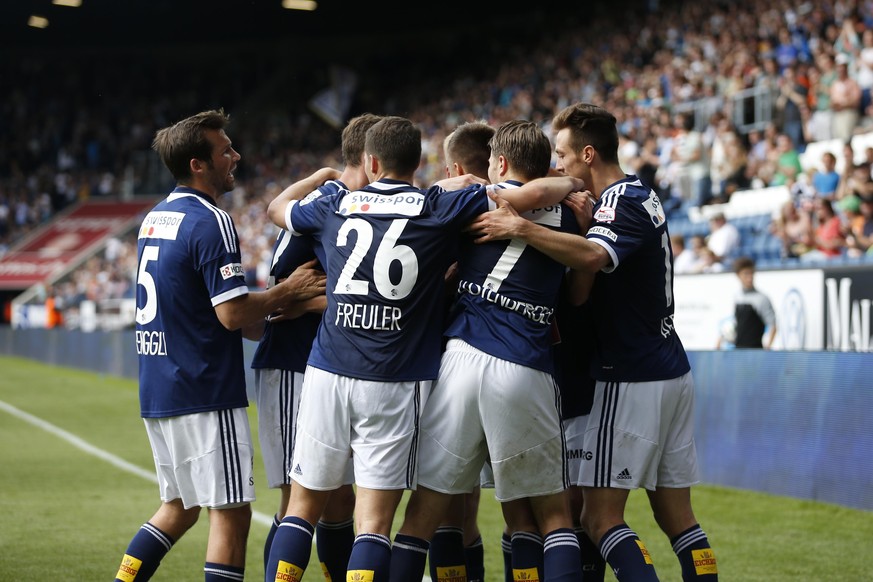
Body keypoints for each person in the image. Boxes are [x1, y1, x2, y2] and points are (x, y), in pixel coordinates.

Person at [263, 115, 585, 582]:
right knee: (377, 524)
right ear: (420, 162)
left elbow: (277, 209)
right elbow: (528, 197)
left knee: (303, 507)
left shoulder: (338, 203)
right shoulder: (438, 206)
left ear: (371, 161)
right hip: (402, 379)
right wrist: (566, 179)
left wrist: (320, 178)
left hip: (331, 368)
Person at [470, 102, 718, 581]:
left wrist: (521, 227)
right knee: (677, 518)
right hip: (670, 369)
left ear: (587, 154)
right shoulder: (640, 195)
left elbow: (590, 260)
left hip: (629, 375)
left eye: (562, 153)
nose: (558, 164)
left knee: (599, 519)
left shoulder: (621, 199)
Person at [113, 109, 326, 582]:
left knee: (177, 508)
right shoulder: (211, 219)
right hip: (205, 389)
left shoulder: (155, 217)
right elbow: (232, 313)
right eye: (225, 149)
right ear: (198, 164)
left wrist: (271, 309)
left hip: (159, 387)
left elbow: (229, 316)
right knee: (231, 514)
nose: (236, 156)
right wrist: (288, 293)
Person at [389, 119, 584, 582]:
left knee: (422, 517)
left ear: (499, 161)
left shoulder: (472, 202)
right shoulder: (573, 212)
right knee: (552, 517)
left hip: (461, 359)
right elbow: (578, 292)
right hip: (525, 366)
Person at [250, 113, 382, 580]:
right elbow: (286, 288)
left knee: (338, 498)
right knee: (298, 498)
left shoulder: (328, 198)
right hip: (291, 363)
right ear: (372, 159)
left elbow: (275, 211)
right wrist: (308, 301)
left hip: (324, 364)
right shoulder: (338, 205)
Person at [426, 119, 495, 582]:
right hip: (525, 365)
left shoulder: (443, 216)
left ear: (455, 167)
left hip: (449, 366)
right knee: (479, 508)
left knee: (445, 509)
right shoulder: (530, 203)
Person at [718, 256, 777, 350]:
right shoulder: (737, 296)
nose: (749, 278)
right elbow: (737, 323)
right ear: (738, 275)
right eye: (746, 274)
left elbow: (773, 325)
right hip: (738, 350)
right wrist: (720, 340)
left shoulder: (762, 298)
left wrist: (768, 347)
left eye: (751, 274)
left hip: (755, 351)